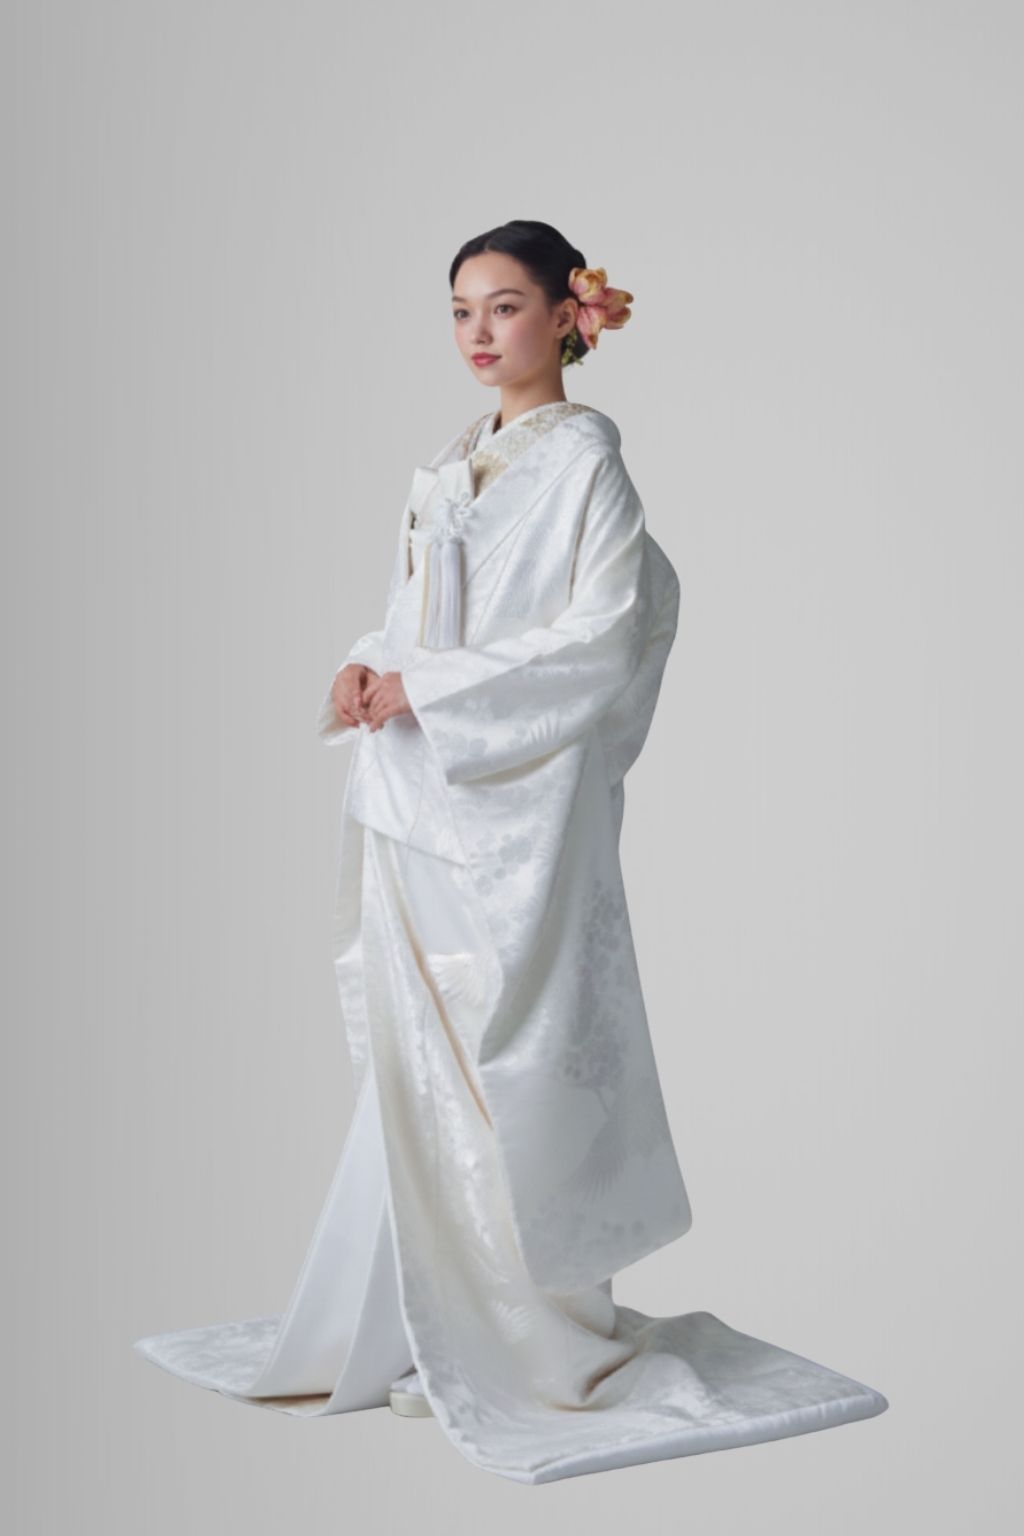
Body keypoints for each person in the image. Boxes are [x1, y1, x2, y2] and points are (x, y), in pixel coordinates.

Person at [134, 220, 888, 1484]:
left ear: (566, 319)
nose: (478, 333)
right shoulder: (448, 464)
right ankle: (427, 1322)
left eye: (504, 306)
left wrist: (433, 690)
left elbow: (602, 632)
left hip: (513, 808)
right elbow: (412, 614)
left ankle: (524, 1339)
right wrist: (366, 668)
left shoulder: (586, 462)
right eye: (459, 311)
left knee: (512, 1058)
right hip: (417, 793)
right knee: (424, 1060)